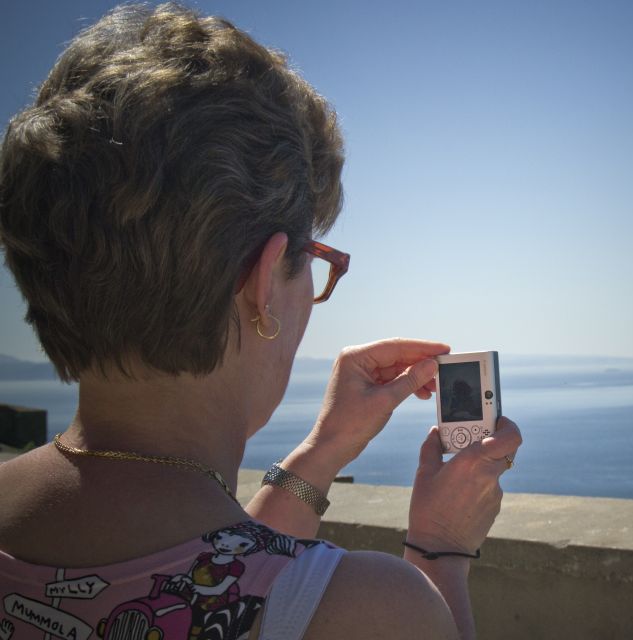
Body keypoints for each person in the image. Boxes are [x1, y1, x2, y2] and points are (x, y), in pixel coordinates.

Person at [0, 4, 521, 639]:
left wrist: (324, 451)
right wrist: (440, 549)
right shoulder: (369, 612)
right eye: (313, 262)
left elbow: (216, 567)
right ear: (263, 283)